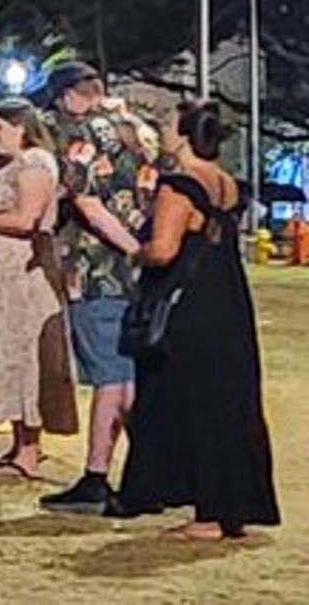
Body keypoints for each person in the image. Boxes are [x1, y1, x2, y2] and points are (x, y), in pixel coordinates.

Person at [119, 102, 280, 540]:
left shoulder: (180, 186)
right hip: (225, 298)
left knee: (192, 402)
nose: (162, 131)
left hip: (187, 306)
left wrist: (135, 253)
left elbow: (164, 249)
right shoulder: (226, 184)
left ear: (185, 134)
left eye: (167, 124)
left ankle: (206, 511)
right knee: (229, 401)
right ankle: (234, 504)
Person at [39, 61, 148, 515]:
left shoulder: (78, 135)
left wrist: (128, 248)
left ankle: (100, 474)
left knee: (110, 378)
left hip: (94, 268)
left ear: (66, 96)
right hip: (136, 274)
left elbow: (85, 202)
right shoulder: (136, 131)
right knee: (127, 374)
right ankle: (149, 467)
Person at [0, 98, 75, 480]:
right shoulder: (13, 166)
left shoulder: (34, 164)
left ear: (20, 127)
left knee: (26, 356)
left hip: (20, 275)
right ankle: (19, 441)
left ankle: (30, 446)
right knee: (8, 353)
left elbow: (26, 219)